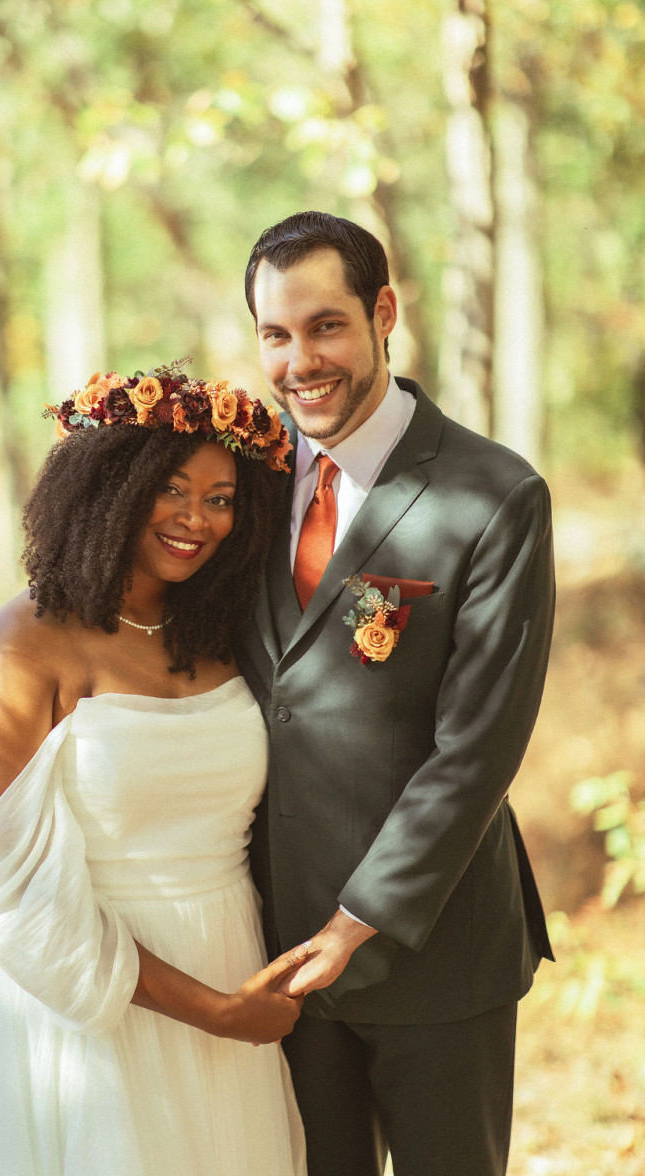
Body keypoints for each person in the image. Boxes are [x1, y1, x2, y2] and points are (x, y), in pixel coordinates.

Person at [236, 211, 556, 1176]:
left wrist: (356, 920)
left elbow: (477, 751)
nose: (301, 362)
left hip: (435, 952)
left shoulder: (493, 495)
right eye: (276, 335)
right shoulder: (236, 487)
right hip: (269, 954)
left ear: (384, 314)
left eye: (325, 325)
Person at [0, 359, 307, 1176]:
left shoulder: (219, 630)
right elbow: (8, 893)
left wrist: (238, 1006)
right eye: (171, 490)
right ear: (106, 487)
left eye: (221, 500)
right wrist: (211, 1011)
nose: (197, 519)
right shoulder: (21, 647)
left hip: (234, 967)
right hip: (88, 1008)